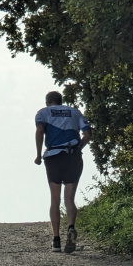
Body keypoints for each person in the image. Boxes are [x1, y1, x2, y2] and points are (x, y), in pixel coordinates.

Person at [34, 90, 92, 253]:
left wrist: (38, 155)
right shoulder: (75, 112)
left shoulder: (43, 113)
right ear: (61, 101)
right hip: (73, 156)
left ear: (47, 102)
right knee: (69, 198)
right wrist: (79, 147)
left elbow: (39, 131)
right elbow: (87, 133)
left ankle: (56, 240)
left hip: (54, 156)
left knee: (55, 198)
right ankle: (71, 227)